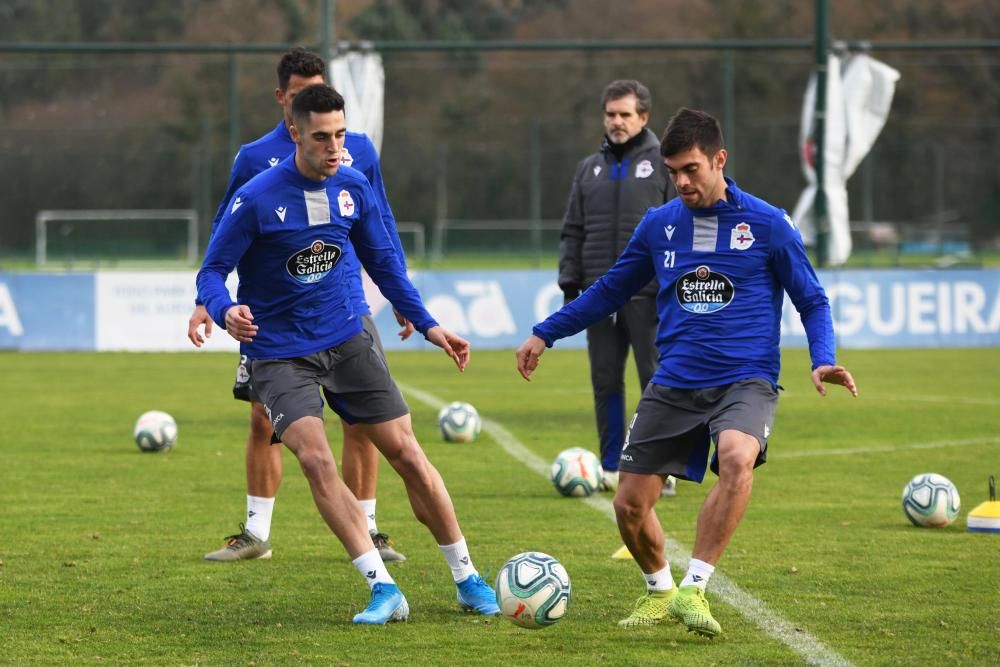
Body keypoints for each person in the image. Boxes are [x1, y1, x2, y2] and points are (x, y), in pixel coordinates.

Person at [517, 107, 857, 637]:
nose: (680, 182)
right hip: (674, 381)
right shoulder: (660, 225)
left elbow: (811, 298)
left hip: (746, 378)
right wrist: (545, 332)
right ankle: (660, 592)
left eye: (690, 169)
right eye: (673, 171)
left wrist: (822, 357)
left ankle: (695, 587)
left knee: (737, 457)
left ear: (720, 160)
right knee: (629, 504)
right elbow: (610, 289)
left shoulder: (767, 224)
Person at [196, 83, 500, 624]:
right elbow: (212, 272)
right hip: (280, 353)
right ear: (294, 132)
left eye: (339, 134)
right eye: (321, 137)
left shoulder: (353, 186)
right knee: (316, 459)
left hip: (346, 337)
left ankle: (467, 576)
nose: (335, 147)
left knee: (406, 453)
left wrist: (429, 325)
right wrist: (224, 311)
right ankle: (382, 588)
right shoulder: (258, 197)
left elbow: (384, 264)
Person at [188, 47, 409, 562]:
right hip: (275, 316)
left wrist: (403, 296)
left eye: (319, 88)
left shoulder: (359, 152)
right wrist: (208, 300)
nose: (310, 100)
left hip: (345, 304)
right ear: (282, 98)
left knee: (362, 421)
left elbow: (384, 223)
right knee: (264, 422)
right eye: (299, 93)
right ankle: (256, 535)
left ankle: (370, 528)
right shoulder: (254, 157)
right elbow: (225, 234)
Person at [557, 79, 673, 495]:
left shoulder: (665, 163)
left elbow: (684, 224)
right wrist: (571, 281)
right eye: (611, 114)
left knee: (656, 381)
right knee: (605, 381)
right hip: (599, 295)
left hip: (651, 293)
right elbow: (573, 229)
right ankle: (609, 466)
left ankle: (659, 466)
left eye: (625, 114)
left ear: (643, 117)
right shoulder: (589, 168)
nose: (617, 122)